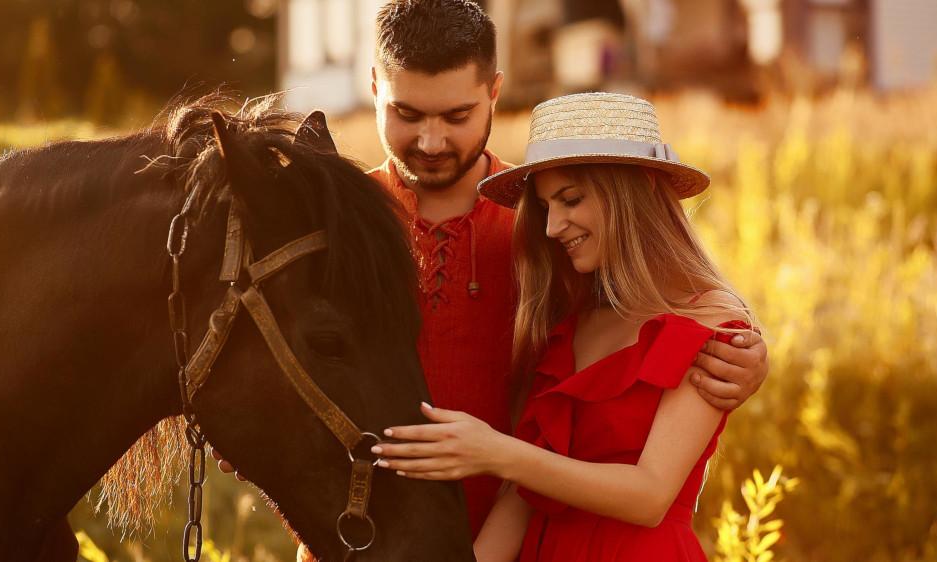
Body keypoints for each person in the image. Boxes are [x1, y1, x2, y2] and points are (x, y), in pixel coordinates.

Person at [216, 0, 770, 544]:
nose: (432, 142)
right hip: (356, 539)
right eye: (407, 114)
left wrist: (745, 351)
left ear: (494, 94)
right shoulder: (334, 222)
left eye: (457, 116)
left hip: (515, 536)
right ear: (374, 88)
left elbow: (650, 305)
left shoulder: (543, 224)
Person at [371, 92, 758, 561]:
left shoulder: (709, 321)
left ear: (633, 192)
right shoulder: (570, 327)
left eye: (570, 199)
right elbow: (521, 497)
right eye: (546, 206)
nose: (553, 227)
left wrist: (494, 451)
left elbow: (650, 496)